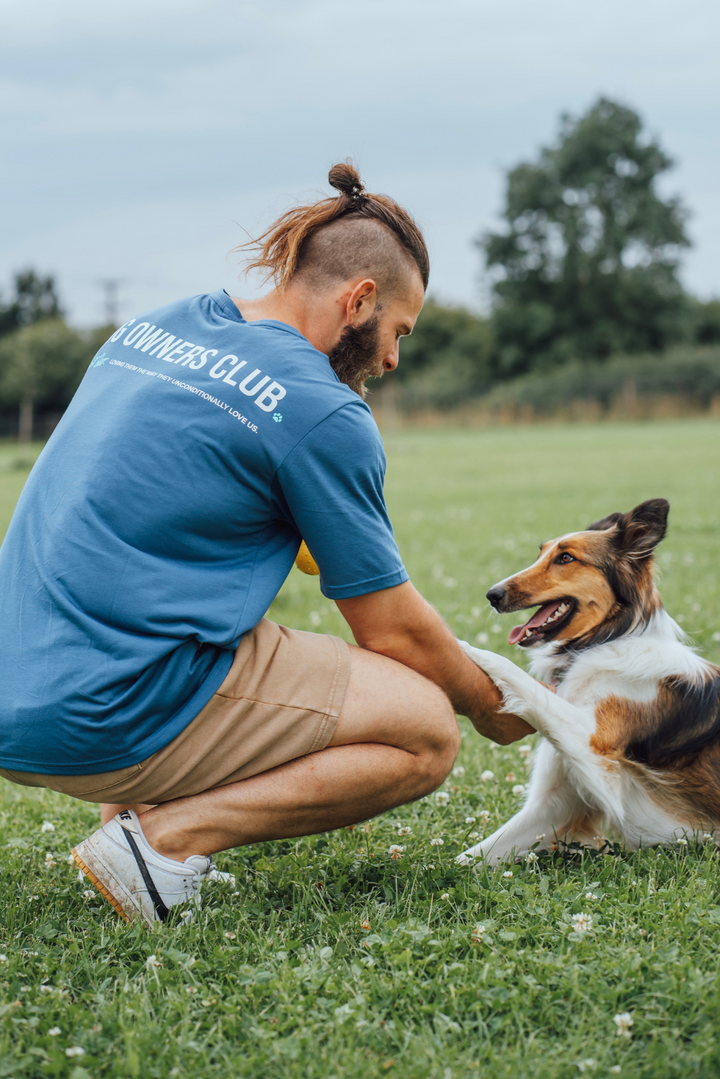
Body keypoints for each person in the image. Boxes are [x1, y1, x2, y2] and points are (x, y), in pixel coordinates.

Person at [0, 163, 533, 925]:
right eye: (398, 332)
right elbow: (390, 629)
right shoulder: (322, 411)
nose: (391, 360)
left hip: (13, 688)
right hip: (97, 711)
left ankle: (128, 813)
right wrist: (493, 705)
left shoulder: (153, 327)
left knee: (211, 620)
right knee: (424, 729)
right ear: (360, 300)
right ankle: (163, 842)